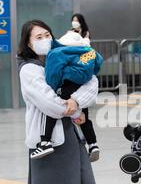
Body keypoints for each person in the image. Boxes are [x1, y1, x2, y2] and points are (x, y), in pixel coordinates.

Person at [17, 20, 111, 184]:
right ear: (27, 43)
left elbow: (92, 82)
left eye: (47, 34)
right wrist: (71, 105)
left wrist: (76, 101)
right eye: (37, 37)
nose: (44, 39)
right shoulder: (29, 69)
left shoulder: (64, 55)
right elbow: (47, 102)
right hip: (45, 139)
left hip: (74, 133)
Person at [30, 31, 102, 162]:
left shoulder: (59, 52)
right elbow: (98, 64)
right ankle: (93, 144)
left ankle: (45, 142)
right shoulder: (89, 52)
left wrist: (53, 85)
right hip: (81, 85)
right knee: (84, 118)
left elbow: (54, 72)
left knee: (49, 113)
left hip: (67, 85)